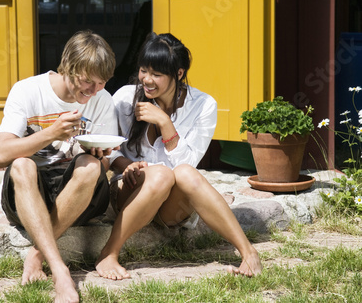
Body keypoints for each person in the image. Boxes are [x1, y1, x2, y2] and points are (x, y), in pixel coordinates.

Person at [95, 32, 263, 280]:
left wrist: (165, 124)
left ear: (179, 74)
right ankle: (108, 254)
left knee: (181, 173)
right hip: (131, 190)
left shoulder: (203, 105)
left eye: (157, 75)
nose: (147, 80)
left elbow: (188, 166)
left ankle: (249, 253)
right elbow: (112, 148)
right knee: (160, 175)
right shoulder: (123, 98)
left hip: (171, 209)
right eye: (144, 71)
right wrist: (128, 166)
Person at [0, 30, 118, 303]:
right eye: (88, 82)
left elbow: (106, 162)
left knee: (90, 166)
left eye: (102, 83)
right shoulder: (28, 91)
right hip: (29, 197)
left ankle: (37, 254)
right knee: (22, 165)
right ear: (68, 67)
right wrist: (51, 133)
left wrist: (99, 154)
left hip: (79, 198)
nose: (94, 91)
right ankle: (61, 271)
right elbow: (1, 155)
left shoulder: (103, 100)